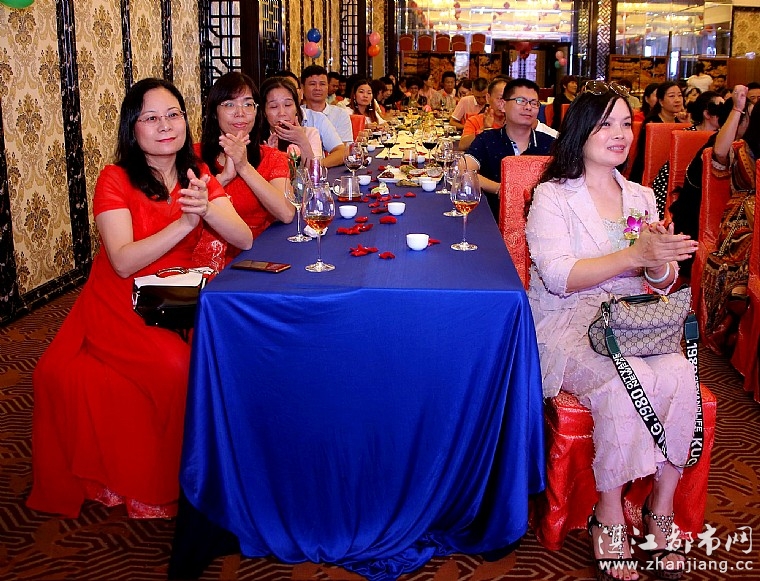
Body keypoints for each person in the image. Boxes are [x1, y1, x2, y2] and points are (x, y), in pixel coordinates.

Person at [26, 78, 253, 519]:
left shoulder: (197, 173)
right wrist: (185, 225)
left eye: (173, 115)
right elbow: (123, 260)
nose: (165, 126)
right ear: (133, 128)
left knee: (223, 355)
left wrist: (207, 207)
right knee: (176, 368)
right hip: (121, 296)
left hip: (176, 291)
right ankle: (172, 480)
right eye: (150, 118)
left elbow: (243, 237)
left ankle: (215, 468)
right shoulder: (115, 178)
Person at [526, 84, 699, 581]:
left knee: (681, 375)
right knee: (626, 385)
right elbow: (558, 276)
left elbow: (658, 281)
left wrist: (660, 263)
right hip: (568, 319)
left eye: (626, 123)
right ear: (580, 131)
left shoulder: (640, 195)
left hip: (632, 319)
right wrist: (633, 255)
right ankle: (608, 513)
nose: (620, 134)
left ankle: (660, 508)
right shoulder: (552, 196)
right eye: (606, 124)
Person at [197, 72, 294, 266]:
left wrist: (243, 166)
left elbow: (286, 213)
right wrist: (223, 179)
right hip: (202, 264)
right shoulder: (193, 157)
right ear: (215, 112)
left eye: (248, 104)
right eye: (229, 104)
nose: (240, 112)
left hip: (255, 260)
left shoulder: (272, 158)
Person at [700, 84, 756, 356]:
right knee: (746, 238)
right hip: (742, 217)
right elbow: (718, 154)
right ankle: (737, 290)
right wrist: (737, 109)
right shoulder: (742, 148)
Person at [465, 78, 555, 219]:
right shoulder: (487, 139)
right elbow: (464, 171)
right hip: (491, 220)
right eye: (521, 101)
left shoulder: (549, 144)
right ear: (503, 105)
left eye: (534, 103)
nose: (528, 107)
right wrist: (499, 189)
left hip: (540, 219)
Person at [650, 90, 724, 218]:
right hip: (685, 192)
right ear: (707, 114)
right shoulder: (685, 136)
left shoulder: (725, 139)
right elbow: (668, 173)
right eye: (721, 109)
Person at [275, 70, 346, 168]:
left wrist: (316, 166)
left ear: (300, 92)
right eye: (274, 106)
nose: (282, 112)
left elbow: (341, 151)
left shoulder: (316, 122)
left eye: (291, 88)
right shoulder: (261, 128)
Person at [628, 81, 684, 184]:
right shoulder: (652, 123)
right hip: (649, 175)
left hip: (673, 173)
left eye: (680, 95)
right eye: (671, 96)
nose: (677, 100)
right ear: (661, 101)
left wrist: (687, 125)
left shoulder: (681, 122)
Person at [259, 76, 323, 161]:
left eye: (288, 105)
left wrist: (302, 142)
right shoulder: (256, 139)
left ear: (296, 107)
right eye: (274, 106)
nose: (282, 113)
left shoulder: (310, 134)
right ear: (264, 112)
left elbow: (314, 168)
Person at [301, 65, 353, 143]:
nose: (317, 88)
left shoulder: (340, 114)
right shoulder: (297, 114)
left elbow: (344, 147)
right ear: (302, 87)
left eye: (322, 84)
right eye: (312, 84)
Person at [459, 77, 508, 150]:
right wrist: (484, 129)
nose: (503, 104)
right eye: (500, 98)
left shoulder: (518, 122)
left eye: (507, 99)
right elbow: (462, 145)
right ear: (488, 98)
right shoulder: (475, 121)